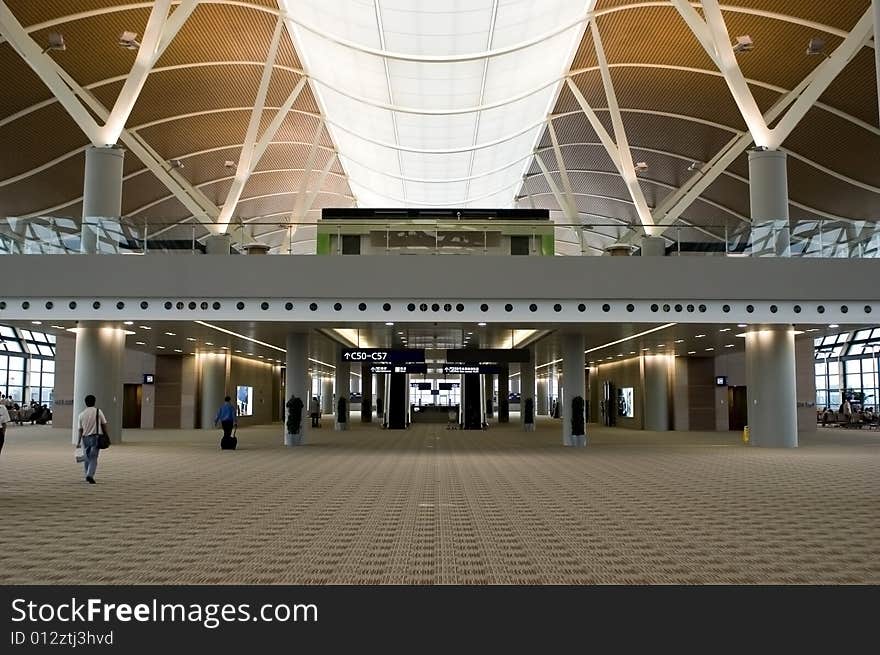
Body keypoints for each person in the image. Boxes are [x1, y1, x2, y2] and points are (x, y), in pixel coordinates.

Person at [77, 394, 108, 484]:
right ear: (94, 402)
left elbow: (80, 430)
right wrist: (106, 434)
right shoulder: (98, 412)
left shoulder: (81, 414)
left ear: (85, 403)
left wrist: (79, 441)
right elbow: (104, 424)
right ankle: (90, 475)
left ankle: (87, 473)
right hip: (96, 437)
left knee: (87, 457)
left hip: (85, 438)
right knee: (94, 457)